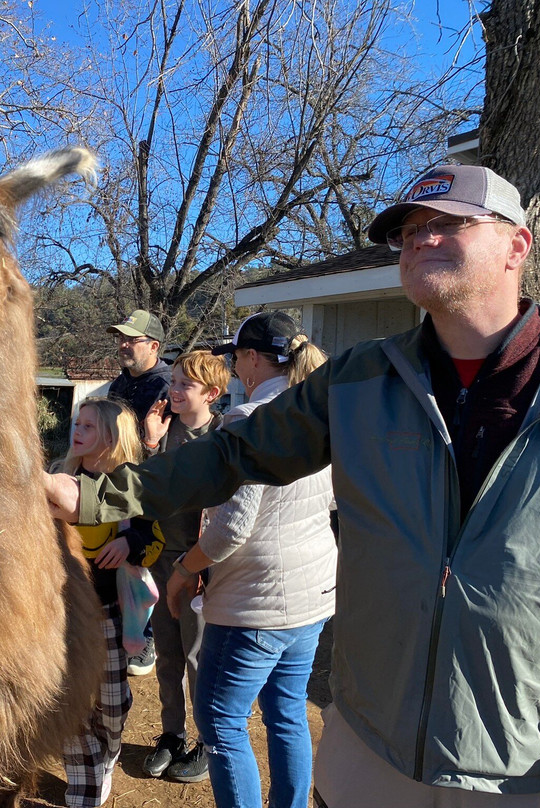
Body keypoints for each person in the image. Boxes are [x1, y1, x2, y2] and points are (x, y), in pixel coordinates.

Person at [45, 164, 540, 808]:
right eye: (408, 231)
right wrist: (95, 496)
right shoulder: (361, 380)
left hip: (525, 772)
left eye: (446, 224)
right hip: (367, 753)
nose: (418, 240)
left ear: (518, 244)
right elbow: (233, 454)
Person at [164, 313, 335, 808]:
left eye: (236, 357)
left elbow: (231, 528)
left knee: (219, 717)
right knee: (286, 712)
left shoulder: (249, 421)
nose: (235, 368)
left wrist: (184, 570)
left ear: (255, 359)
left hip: (257, 602)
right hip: (312, 593)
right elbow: (330, 500)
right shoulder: (318, 416)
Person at [58, 398, 160, 808]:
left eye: (88, 426)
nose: (77, 431)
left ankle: (109, 755)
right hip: (62, 617)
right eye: (76, 424)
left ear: (112, 438)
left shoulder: (131, 483)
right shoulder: (59, 478)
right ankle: (83, 790)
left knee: (112, 708)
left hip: (112, 615)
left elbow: (155, 541)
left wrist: (129, 541)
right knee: (70, 706)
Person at [138, 349, 229, 782]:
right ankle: (172, 735)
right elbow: (145, 492)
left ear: (211, 394)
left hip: (202, 568)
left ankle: (208, 744)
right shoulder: (164, 432)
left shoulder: (225, 435)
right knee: (170, 656)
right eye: (172, 382)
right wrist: (151, 443)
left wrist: (199, 568)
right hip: (162, 560)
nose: (173, 391)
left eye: (184, 385)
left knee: (198, 660)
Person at [106, 309, 171, 676]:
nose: (124, 344)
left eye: (132, 339)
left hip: (147, 488)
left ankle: (143, 639)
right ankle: (125, 632)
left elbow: (161, 445)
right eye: (122, 338)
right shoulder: (120, 384)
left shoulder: (163, 385)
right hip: (115, 483)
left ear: (154, 345)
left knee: (140, 561)